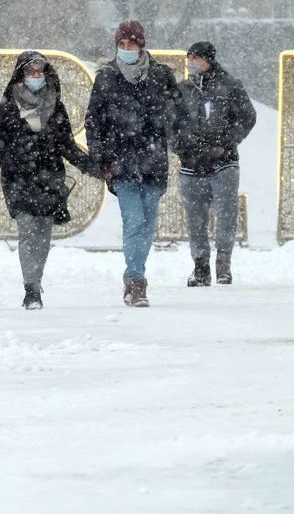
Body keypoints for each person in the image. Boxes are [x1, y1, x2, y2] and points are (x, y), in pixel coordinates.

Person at [0, 50, 98, 310]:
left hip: (49, 177)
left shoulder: (56, 105)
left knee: (43, 234)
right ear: (21, 74)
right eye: (31, 71)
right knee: (27, 230)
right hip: (18, 177)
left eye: (40, 71)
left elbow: (67, 145)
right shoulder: (8, 106)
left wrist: (93, 167)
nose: (36, 76)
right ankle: (31, 288)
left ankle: (37, 279)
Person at [84, 21, 185, 307]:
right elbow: (94, 120)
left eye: (131, 44)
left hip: (153, 160)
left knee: (149, 221)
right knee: (134, 219)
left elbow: (177, 115)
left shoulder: (161, 76)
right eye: (122, 45)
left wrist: (174, 137)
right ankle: (138, 280)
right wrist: (99, 155)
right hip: (120, 161)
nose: (126, 49)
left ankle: (132, 273)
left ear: (141, 45)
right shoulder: (107, 78)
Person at [174, 41, 256, 286]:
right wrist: (180, 146)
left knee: (226, 214)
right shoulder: (181, 90)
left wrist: (227, 141)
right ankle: (200, 267)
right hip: (191, 164)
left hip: (224, 162)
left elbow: (248, 116)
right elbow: (169, 123)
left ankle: (223, 265)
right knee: (195, 217)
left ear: (208, 60)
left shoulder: (229, 86)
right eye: (189, 58)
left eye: (196, 58)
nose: (191, 63)